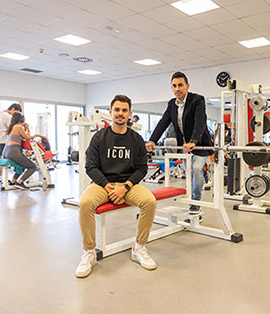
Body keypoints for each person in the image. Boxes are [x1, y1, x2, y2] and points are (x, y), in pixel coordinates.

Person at [76, 95, 157, 278]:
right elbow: (90, 166)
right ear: (111, 112)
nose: (120, 114)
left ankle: (139, 247)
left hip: (128, 184)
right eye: (117, 110)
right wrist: (108, 186)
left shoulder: (136, 139)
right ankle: (89, 252)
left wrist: (125, 187)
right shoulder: (99, 138)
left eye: (124, 110)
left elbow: (142, 168)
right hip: (102, 183)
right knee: (85, 203)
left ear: (130, 114)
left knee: (149, 201)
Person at [146, 71, 213, 215]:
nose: (177, 89)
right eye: (174, 86)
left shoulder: (197, 100)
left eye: (180, 85)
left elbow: (200, 122)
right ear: (171, 88)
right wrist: (152, 140)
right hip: (184, 146)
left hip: (200, 143)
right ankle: (202, 177)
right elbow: (163, 122)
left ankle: (195, 203)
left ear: (187, 86)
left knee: (195, 169)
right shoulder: (172, 104)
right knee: (189, 173)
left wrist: (193, 141)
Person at [2, 112, 37, 189]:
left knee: (21, 165)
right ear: (21, 120)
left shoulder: (11, 127)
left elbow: (19, 136)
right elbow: (28, 137)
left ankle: (13, 181)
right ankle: (20, 182)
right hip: (13, 151)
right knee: (33, 166)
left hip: (6, 151)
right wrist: (28, 128)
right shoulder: (18, 127)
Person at [0, 103, 22, 182]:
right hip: (4, 141)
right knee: (2, 162)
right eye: (16, 112)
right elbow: (13, 129)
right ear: (12, 109)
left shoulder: (1, 113)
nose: (16, 114)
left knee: (1, 162)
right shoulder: (8, 116)